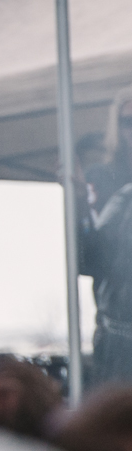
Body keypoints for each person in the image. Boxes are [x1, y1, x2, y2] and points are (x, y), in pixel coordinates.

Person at [78, 87, 132, 385]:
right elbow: (89, 260)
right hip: (120, 337)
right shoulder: (103, 178)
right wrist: (77, 202)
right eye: (128, 122)